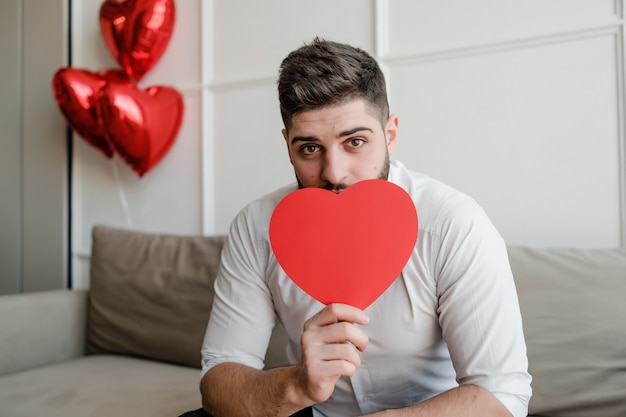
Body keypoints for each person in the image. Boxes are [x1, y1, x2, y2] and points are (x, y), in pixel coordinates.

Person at [196, 38, 532, 417]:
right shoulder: (256, 227)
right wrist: (297, 385)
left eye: (355, 142)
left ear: (390, 135)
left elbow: (503, 393)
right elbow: (218, 380)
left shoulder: (453, 224)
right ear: (287, 145)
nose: (334, 173)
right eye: (310, 148)